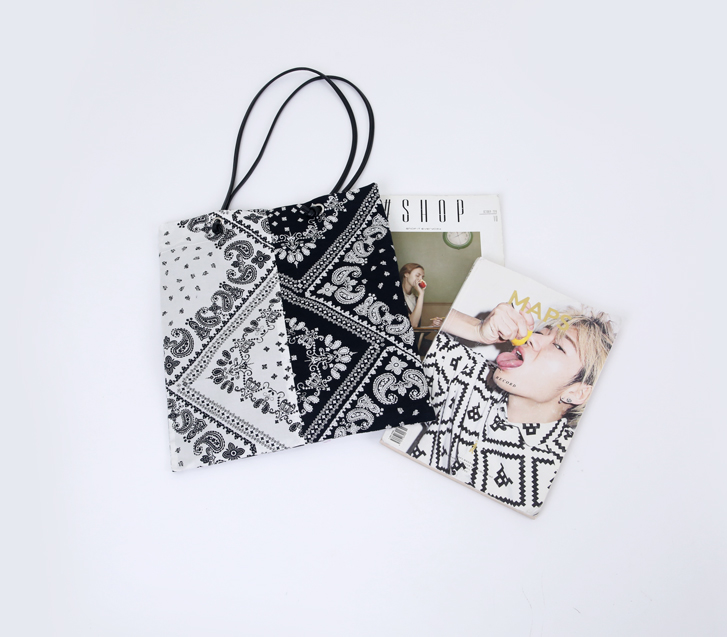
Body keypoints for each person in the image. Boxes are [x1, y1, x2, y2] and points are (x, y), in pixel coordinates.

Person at [406, 302, 616, 516]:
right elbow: (404, 319)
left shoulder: (563, 477)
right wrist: (476, 330)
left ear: (577, 392)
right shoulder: (473, 377)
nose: (532, 338)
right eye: (541, 332)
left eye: (559, 346)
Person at [399, 262, 443, 329]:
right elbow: (412, 325)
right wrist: (421, 294)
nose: (420, 279)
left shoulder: (416, 298)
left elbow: (416, 330)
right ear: (406, 274)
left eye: (422, 277)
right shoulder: (396, 297)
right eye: (417, 275)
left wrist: (432, 326)